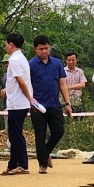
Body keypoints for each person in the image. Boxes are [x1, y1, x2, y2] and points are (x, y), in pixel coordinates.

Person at [28, 34, 73, 173]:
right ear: (35, 49)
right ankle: (43, 164)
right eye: (41, 49)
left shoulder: (57, 63)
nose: (44, 51)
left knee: (59, 130)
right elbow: (26, 85)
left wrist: (67, 103)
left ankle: (45, 152)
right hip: (37, 106)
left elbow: (62, 84)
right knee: (40, 135)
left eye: (46, 48)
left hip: (54, 104)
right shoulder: (30, 65)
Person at [0, 34, 35, 175]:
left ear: (11, 44)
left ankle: (22, 164)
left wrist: (29, 98)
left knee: (16, 134)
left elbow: (21, 81)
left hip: (17, 102)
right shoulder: (22, 58)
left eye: (6, 44)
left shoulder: (14, 60)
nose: (5, 46)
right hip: (18, 102)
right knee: (13, 134)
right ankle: (12, 164)